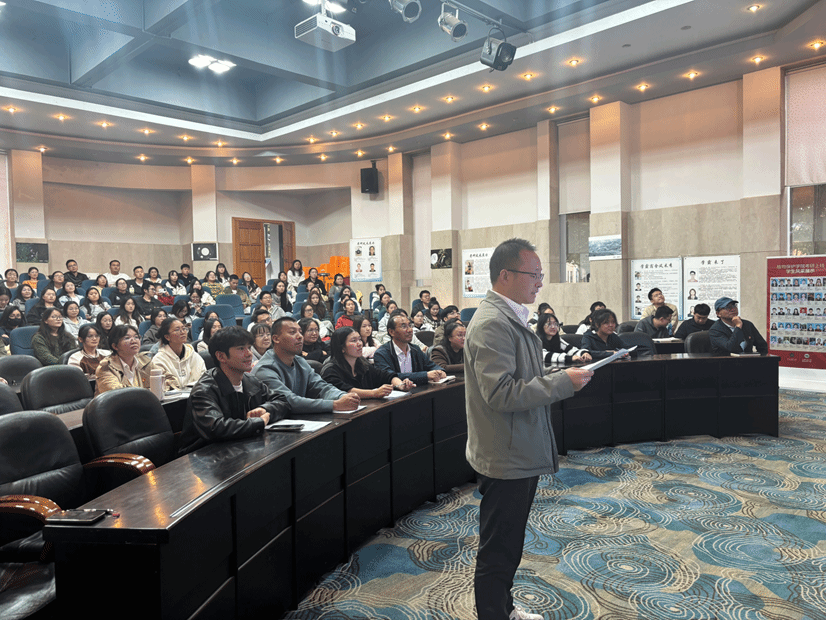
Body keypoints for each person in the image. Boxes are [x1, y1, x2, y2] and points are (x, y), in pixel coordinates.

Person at [463, 238, 592, 620]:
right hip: (506, 454)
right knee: (498, 549)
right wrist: (562, 383)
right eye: (533, 274)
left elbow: (523, 374)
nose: (539, 282)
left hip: (517, 447)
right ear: (505, 275)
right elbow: (501, 393)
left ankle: (503, 608)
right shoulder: (492, 323)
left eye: (540, 274)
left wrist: (559, 374)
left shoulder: (511, 316)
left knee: (508, 542)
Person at [178, 326, 290, 455]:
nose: (249, 354)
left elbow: (282, 401)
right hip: (203, 455)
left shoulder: (250, 380)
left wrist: (265, 409)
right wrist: (258, 422)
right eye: (241, 348)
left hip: (239, 446)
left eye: (249, 347)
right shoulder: (204, 390)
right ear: (221, 356)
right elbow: (216, 428)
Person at [251, 317, 360, 414]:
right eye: (292, 332)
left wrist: (343, 396)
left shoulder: (300, 362)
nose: (300, 336)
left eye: (300, 332)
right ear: (276, 338)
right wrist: (334, 404)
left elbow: (322, 387)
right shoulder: (264, 369)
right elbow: (289, 401)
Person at [321, 327, 414, 397]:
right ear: (341, 348)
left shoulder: (362, 363)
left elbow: (385, 375)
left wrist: (400, 385)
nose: (359, 344)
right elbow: (343, 391)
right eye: (354, 341)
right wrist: (374, 393)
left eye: (359, 339)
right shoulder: (330, 369)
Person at [374, 314, 446, 385]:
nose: (410, 330)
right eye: (404, 326)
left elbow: (432, 365)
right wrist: (425, 375)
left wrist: (440, 371)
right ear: (391, 332)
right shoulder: (381, 353)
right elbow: (390, 376)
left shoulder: (415, 349)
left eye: (410, 325)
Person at [151, 317, 207, 390]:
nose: (183, 332)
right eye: (177, 330)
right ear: (167, 337)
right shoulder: (159, 360)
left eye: (184, 329)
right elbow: (161, 388)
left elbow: (204, 378)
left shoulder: (193, 354)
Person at [95, 325, 152, 395]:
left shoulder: (145, 361)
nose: (134, 341)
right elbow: (118, 393)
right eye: (127, 338)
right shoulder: (106, 367)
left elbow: (163, 380)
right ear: (115, 346)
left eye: (136, 337)